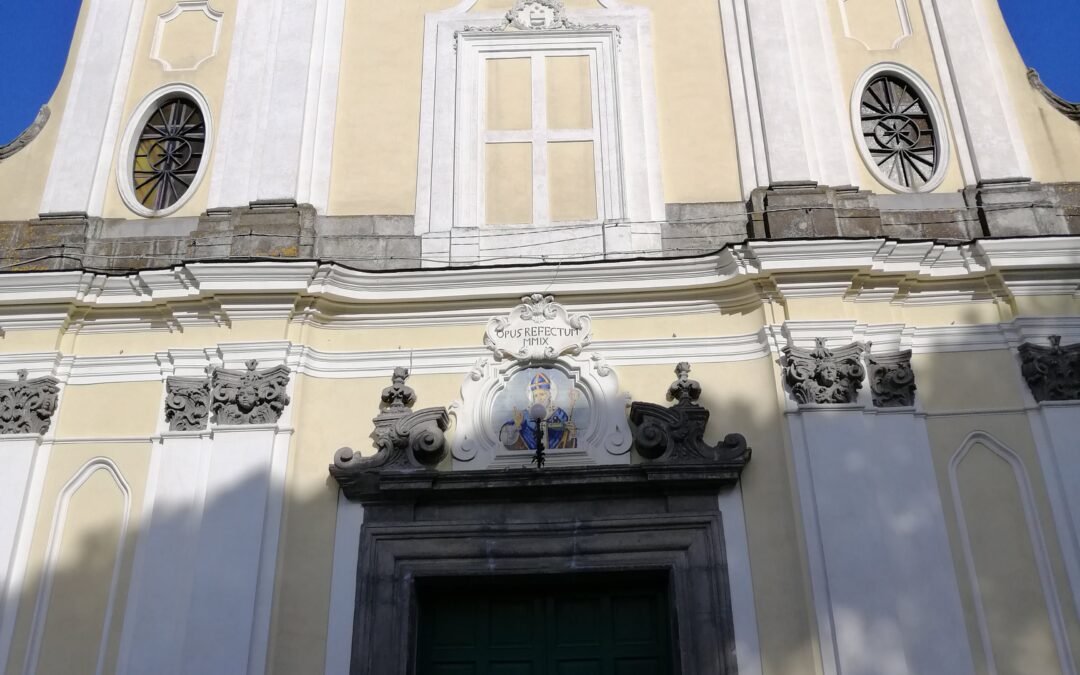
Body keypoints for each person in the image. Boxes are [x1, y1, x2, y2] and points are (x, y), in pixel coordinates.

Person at [500, 371, 578, 450]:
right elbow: (506, 438)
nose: (539, 398)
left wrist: (572, 433)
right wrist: (516, 426)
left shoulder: (560, 414)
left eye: (542, 394)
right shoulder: (524, 415)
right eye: (536, 395)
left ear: (549, 395)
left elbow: (567, 443)